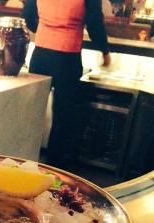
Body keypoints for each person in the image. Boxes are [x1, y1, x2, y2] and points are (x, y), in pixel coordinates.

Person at [22, 0, 111, 167]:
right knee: (62, 116)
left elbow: (28, 15)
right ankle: (54, 166)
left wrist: (45, 29)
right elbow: (94, 22)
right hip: (67, 57)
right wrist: (105, 51)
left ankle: (25, 158)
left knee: (33, 111)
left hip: (40, 54)